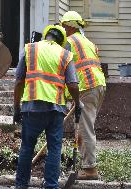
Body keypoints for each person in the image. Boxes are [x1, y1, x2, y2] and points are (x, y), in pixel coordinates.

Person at [14, 25, 81, 189]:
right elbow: (72, 84)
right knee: (54, 149)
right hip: (55, 110)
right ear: (62, 41)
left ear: (46, 36)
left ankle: (21, 185)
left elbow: (19, 81)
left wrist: (16, 107)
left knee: (27, 147)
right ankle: (51, 185)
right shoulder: (66, 55)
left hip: (31, 107)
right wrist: (78, 103)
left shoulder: (29, 49)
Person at [60, 11, 106, 180]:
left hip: (87, 86)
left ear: (69, 26)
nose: (62, 28)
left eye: (63, 26)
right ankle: (86, 163)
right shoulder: (87, 41)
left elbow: (63, 68)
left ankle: (90, 169)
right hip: (97, 85)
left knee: (85, 129)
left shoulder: (69, 42)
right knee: (85, 127)